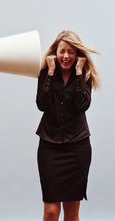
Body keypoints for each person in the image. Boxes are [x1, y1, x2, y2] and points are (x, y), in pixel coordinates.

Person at [35, 31, 99, 221]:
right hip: (49, 147)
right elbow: (42, 105)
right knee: (51, 211)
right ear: (55, 53)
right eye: (62, 51)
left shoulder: (84, 75)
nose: (66, 56)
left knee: (72, 213)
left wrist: (79, 73)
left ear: (77, 54)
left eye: (71, 52)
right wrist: (51, 71)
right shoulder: (45, 73)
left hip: (77, 147)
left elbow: (83, 105)